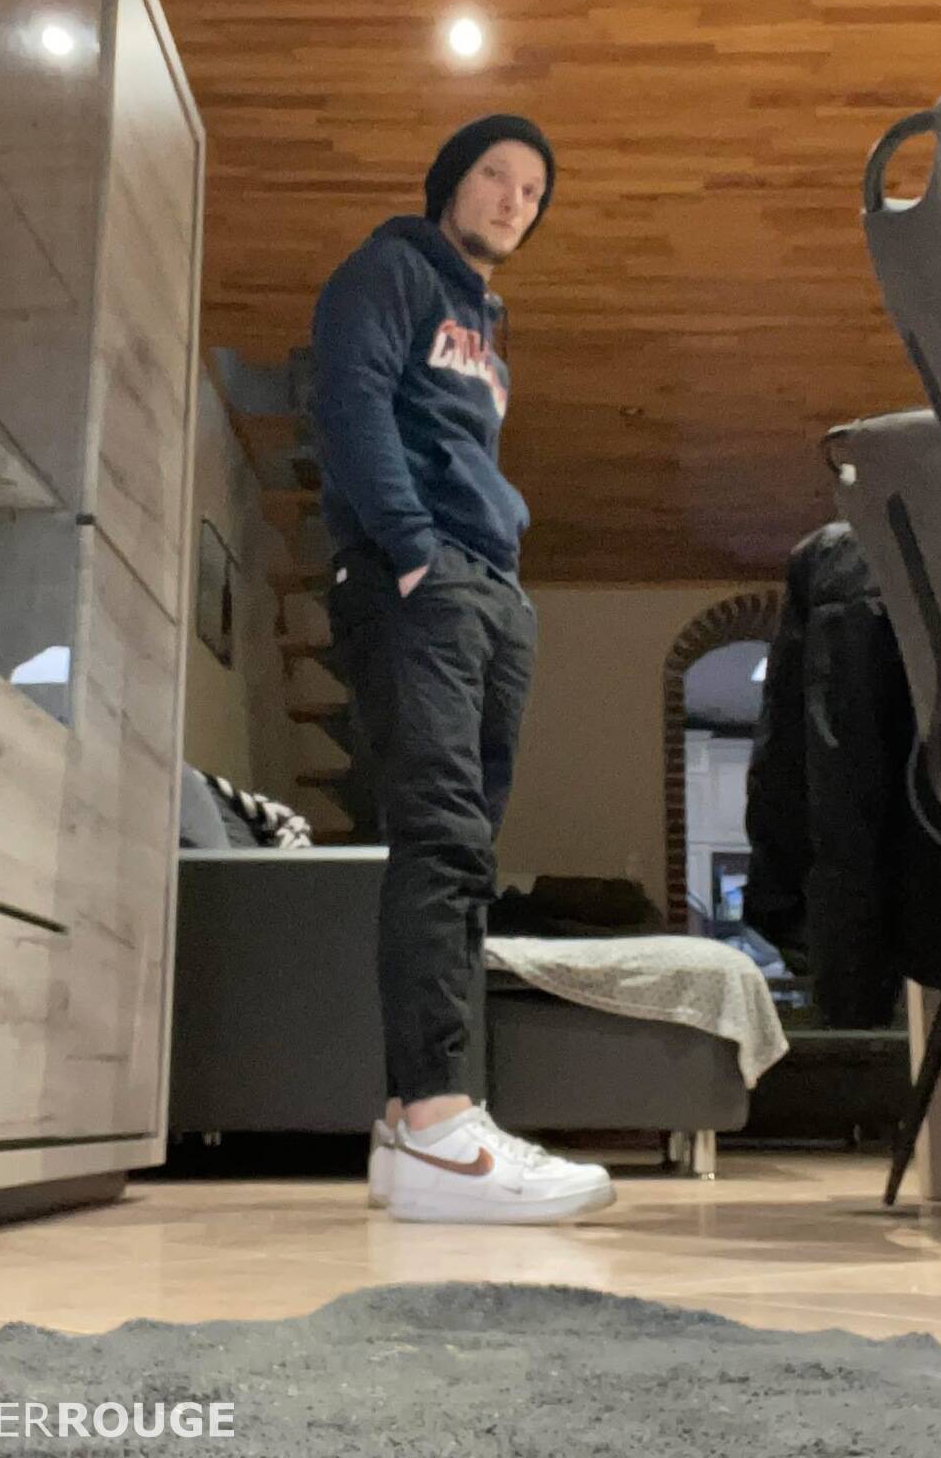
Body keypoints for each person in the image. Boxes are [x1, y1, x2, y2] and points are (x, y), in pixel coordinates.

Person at [311, 114, 615, 1224]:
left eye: (533, 191)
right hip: (423, 581)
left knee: (468, 854)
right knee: (440, 838)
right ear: (451, 180)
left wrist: (494, 583)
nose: (513, 201)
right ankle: (442, 1123)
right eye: (495, 175)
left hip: (487, 588)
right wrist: (410, 552)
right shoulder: (388, 270)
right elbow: (349, 404)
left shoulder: (488, 329)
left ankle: (413, 1127)